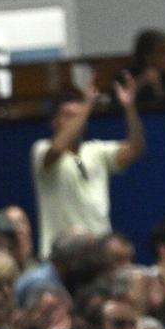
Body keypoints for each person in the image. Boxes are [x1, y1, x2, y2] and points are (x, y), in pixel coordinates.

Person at [31, 79, 146, 256]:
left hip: (99, 256)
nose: (76, 121)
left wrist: (130, 108)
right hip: (60, 257)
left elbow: (135, 149)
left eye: (79, 116)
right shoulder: (41, 149)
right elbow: (58, 148)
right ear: (54, 122)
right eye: (68, 116)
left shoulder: (97, 151)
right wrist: (87, 105)